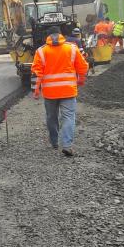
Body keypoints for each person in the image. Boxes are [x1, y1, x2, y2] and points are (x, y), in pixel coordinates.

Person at [31, 26, 90, 157]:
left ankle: (54, 142)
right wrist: (81, 80)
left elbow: (36, 73)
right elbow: (83, 66)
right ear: (61, 34)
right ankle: (67, 145)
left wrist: (35, 91)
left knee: (51, 117)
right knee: (68, 117)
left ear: (47, 36)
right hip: (68, 90)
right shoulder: (72, 48)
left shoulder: (41, 51)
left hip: (50, 93)